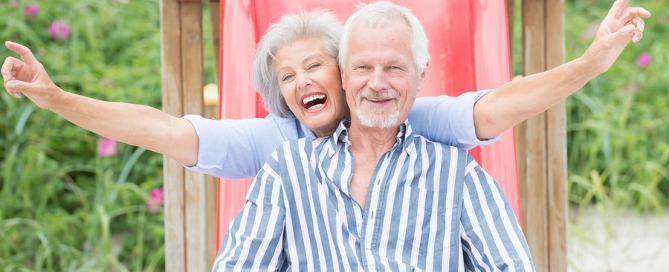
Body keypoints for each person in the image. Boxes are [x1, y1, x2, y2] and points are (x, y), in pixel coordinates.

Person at [1, 0, 649, 181]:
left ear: (343, 76)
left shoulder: (412, 119)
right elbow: (163, 129)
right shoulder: (272, 141)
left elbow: (504, 101)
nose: (303, 81)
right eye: (286, 77)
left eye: (314, 67)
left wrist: (589, 63)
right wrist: (55, 98)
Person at [213, 2, 535, 271]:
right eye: (363, 67)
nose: (377, 83)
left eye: (394, 68)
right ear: (343, 73)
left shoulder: (457, 175)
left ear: (421, 74)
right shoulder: (286, 170)